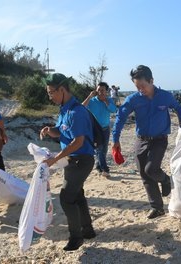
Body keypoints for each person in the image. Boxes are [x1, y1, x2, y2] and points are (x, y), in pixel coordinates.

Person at [112, 65, 181, 219]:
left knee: (151, 170)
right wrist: (115, 138)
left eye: (143, 86)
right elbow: (121, 118)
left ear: (151, 80)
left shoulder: (165, 96)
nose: (141, 89)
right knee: (144, 175)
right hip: (141, 140)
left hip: (159, 140)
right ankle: (157, 207)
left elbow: (178, 108)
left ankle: (166, 179)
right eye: (137, 87)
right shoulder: (133, 99)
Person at [40, 73, 96, 251]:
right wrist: (50, 130)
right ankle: (87, 231)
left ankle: (76, 237)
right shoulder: (64, 108)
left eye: (51, 92)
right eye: (48, 93)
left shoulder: (77, 111)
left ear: (62, 89)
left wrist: (55, 159)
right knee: (77, 195)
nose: (50, 96)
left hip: (82, 160)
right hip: (71, 160)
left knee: (66, 198)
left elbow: (77, 142)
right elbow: (62, 131)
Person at [82, 82, 117, 178]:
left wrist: (106, 101)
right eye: (98, 90)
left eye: (102, 90)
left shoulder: (109, 100)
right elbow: (81, 107)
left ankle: (98, 166)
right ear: (95, 91)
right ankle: (105, 169)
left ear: (106, 91)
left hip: (105, 129)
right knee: (99, 149)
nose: (100, 92)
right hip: (94, 129)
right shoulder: (92, 101)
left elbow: (114, 110)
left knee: (104, 149)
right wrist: (89, 96)